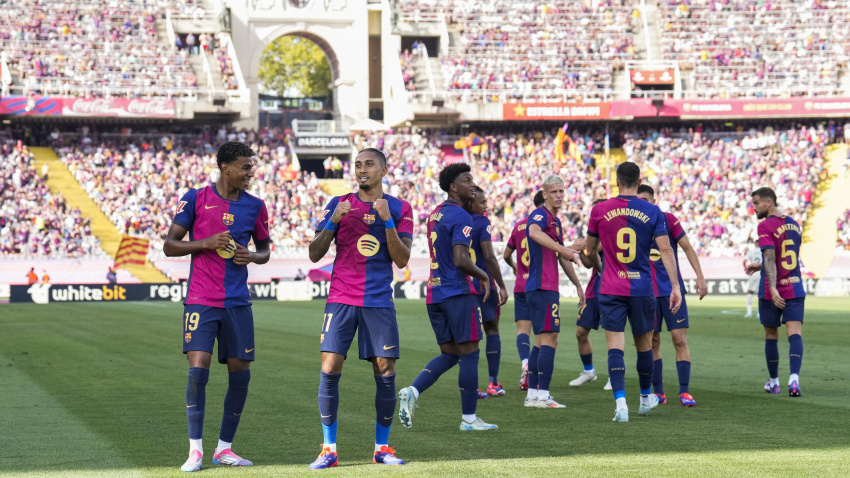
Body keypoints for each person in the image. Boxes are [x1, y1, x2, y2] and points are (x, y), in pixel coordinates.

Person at [163, 142, 271, 472]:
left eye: (252, 167)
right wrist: (205, 243)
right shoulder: (196, 198)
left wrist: (251, 256)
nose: (250, 173)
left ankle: (224, 449)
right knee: (198, 371)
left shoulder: (256, 207)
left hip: (238, 302)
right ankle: (195, 450)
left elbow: (265, 251)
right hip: (201, 299)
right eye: (245, 167)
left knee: (241, 375)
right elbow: (169, 245)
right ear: (225, 167)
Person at [306, 148, 413, 469]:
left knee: (385, 371)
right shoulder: (338, 205)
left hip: (378, 301)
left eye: (368, 164)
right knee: (329, 369)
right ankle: (328, 449)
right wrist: (333, 223)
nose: (362, 170)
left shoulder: (399, 207)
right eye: (357, 165)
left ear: (383, 169)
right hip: (340, 298)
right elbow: (314, 253)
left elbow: (403, 259)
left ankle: (382, 447)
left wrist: (387, 221)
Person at [397, 163, 498, 431]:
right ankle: (469, 419)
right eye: (467, 180)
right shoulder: (462, 217)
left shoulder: (435, 214)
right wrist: (484, 276)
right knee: (470, 353)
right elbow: (460, 259)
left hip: (435, 293)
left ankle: (413, 391)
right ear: (454, 187)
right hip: (457, 292)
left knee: (451, 353)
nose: (472, 185)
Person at [585, 162, 681, 423]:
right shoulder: (652, 210)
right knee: (644, 346)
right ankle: (645, 398)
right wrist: (674, 286)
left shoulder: (599, 210)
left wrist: (597, 265)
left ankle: (620, 404)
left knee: (615, 345)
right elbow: (666, 250)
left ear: (617, 182)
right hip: (642, 288)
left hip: (610, 287)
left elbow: (590, 252)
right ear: (639, 183)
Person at [637, 185, 708, 407]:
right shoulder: (633, 222)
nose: (643, 204)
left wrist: (700, 276)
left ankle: (684, 392)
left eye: (646, 200)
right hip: (646, 292)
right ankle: (658, 392)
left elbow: (687, 248)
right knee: (653, 341)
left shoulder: (668, 219)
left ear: (654, 200)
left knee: (679, 339)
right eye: (639, 200)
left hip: (672, 290)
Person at [523, 174, 585, 409]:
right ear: (545, 194)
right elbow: (534, 233)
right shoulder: (540, 215)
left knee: (540, 341)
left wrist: (578, 284)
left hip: (544, 287)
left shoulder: (555, 222)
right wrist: (565, 248)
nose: (559, 195)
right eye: (555, 192)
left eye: (561, 191)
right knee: (551, 340)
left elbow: (560, 256)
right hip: (542, 286)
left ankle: (532, 395)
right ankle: (544, 396)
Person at [746, 187, 805, 397]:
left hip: (774, 291)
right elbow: (787, 258)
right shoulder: (795, 224)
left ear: (768, 203)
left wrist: (772, 287)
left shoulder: (765, 226)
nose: (753, 207)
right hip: (795, 286)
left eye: (755, 203)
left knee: (771, 334)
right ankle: (794, 380)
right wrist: (760, 266)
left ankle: (774, 383)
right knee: (795, 334)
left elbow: (771, 257)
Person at [463, 186, 509, 398]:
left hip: (462, 285)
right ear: (471, 202)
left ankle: (472, 387)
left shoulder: (457, 220)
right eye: (482, 203)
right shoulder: (482, 222)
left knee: (469, 337)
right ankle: (493, 383)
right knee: (492, 330)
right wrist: (501, 284)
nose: (486, 206)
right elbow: (490, 257)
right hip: (483, 285)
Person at [503, 191, 545, 391]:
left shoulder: (519, 225)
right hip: (539, 284)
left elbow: (505, 254)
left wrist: (514, 267)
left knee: (522, 331)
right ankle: (537, 379)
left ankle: (525, 363)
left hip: (520, 285)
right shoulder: (546, 223)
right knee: (542, 334)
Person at [570, 200, 612, 391]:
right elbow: (589, 262)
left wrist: (583, 246)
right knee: (581, 332)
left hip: (611, 287)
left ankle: (614, 375)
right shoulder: (594, 234)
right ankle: (589, 371)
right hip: (594, 287)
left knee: (611, 333)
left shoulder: (610, 232)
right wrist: (582, 250)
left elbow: (595, 249)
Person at [743, 238, 762, 318]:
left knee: (750, 292)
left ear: (755, 244)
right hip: (762, 272)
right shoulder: (763, 251)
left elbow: (744, 261)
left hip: (753, 272)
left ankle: (749, 312)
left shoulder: (751, 251)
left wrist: (746, 270)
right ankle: (759, 313)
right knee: (760, 293)